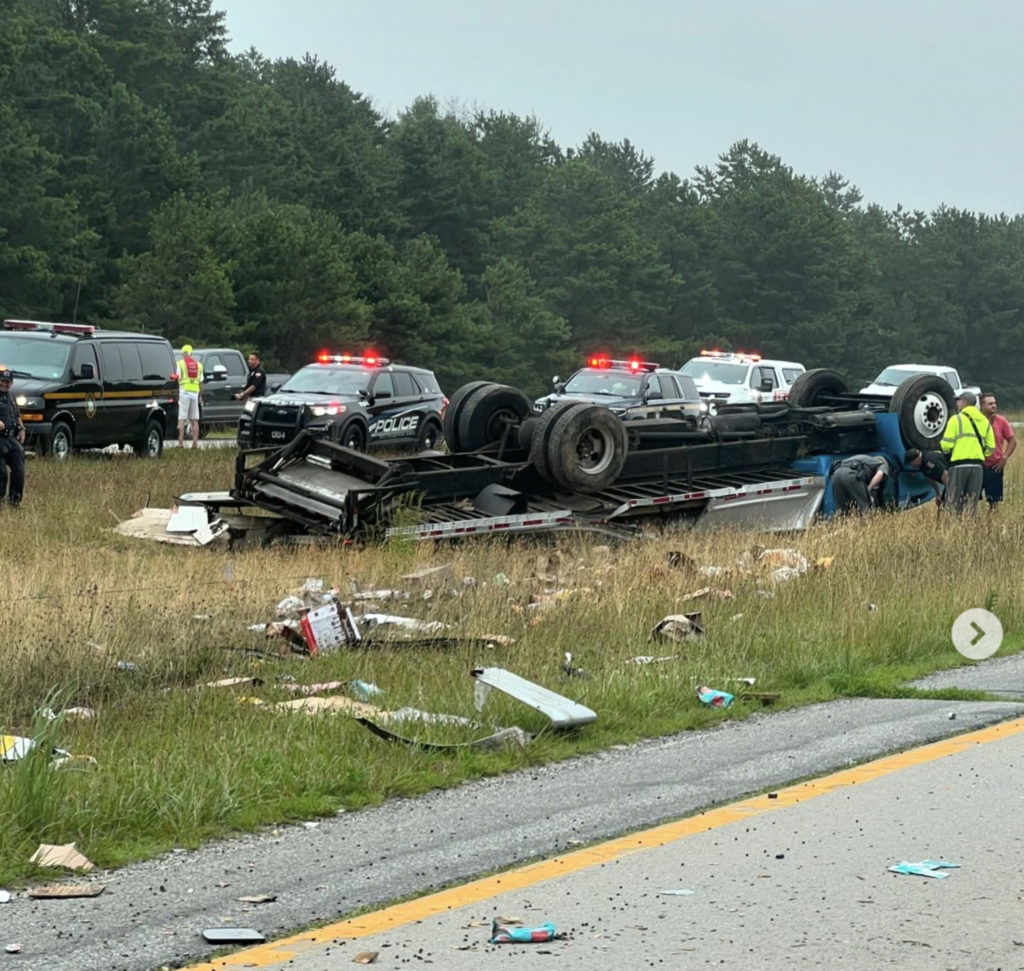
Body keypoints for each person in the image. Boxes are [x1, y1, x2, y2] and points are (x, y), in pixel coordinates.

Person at [939, 390, 995, 516]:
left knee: (953, 503)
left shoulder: (956, 419)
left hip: (958, 465)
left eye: (958, 400)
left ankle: (954, 532)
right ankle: (968, 530)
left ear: (964, 402)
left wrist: (948, 452)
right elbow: (991, 447)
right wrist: (980, 454)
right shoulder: (985, 421)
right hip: (977, 466)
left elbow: (946, 445)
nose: (957, 403)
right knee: (971, 503)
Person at [979, 392, 1016, 511]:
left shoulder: (1001, 421)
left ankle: (991, 525)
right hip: (977, 465)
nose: (994, 406)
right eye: (990, 404)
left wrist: (1004, 457)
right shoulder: (976, 420)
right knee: (971, 499)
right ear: (982, 405)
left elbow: (1013, 440)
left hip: (995, 466)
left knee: (994, 502)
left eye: (994, 403)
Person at [0, 366, 26, 507]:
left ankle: (15, 502)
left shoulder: (10, 396)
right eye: (2, 381)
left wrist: (21, 428)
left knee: (19, 470)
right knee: (1, 474)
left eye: (7, 382)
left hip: (11, 438)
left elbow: (16, 414)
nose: (4, 384)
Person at [176, 344, 204, 449]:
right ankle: (195, 443)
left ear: (183, 354)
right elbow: (201, 382)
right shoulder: (199, 365)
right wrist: (200, 396)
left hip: (184, 392)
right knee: (194, 419)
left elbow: (176, 377)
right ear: (191, 353)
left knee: (182, 418)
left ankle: (180, 443)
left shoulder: (180, 364)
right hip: (195, 393)